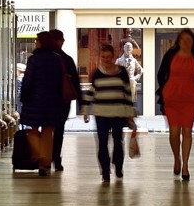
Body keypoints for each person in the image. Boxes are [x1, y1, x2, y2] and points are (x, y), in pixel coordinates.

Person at [155, 28, 194, 181]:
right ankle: (176, 159)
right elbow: (161, 74)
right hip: (172, 99)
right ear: (178, 41)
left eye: (189, 40)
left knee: (187, 131)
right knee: (174, 132)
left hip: (190, 100)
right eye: (183, 39)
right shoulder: (170, 55)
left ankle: (185, 166)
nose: (186, 42)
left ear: (193, 42)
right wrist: (166, 89)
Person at [81, 43, 137, 183]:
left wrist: (130, 113)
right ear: (101, 57)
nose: (106, 59)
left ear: (113, 57)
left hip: (118, 113)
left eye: (108, 57)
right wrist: (86, 110)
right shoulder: (97, 73)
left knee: (118, 142)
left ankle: (118, 167)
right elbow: (91, 91)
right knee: (102, 143)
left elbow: (127, 93)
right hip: (101, 114)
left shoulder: (122, 72)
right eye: (103, 57)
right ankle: (105, 171)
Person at [18, 30, 69, 176]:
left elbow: (27, 81)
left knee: (33, 130)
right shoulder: (57, 59)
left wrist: (24, 97)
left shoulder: (34, 60)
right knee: (48, 131)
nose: (35, 43)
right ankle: (44, 162)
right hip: (53, 101)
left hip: (34, 101)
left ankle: (38, 154)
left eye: (37, 40)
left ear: (42, 42)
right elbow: (61, 80)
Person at [48, 29, 82, 171]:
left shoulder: (42, 58)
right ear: (60, 41)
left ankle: (44, 158)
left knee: (46, 129)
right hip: (63, 100)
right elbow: (75, 83)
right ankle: (56, 158)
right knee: (59, 130)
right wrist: (82, 103)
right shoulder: (66, 59)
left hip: (46, 100)